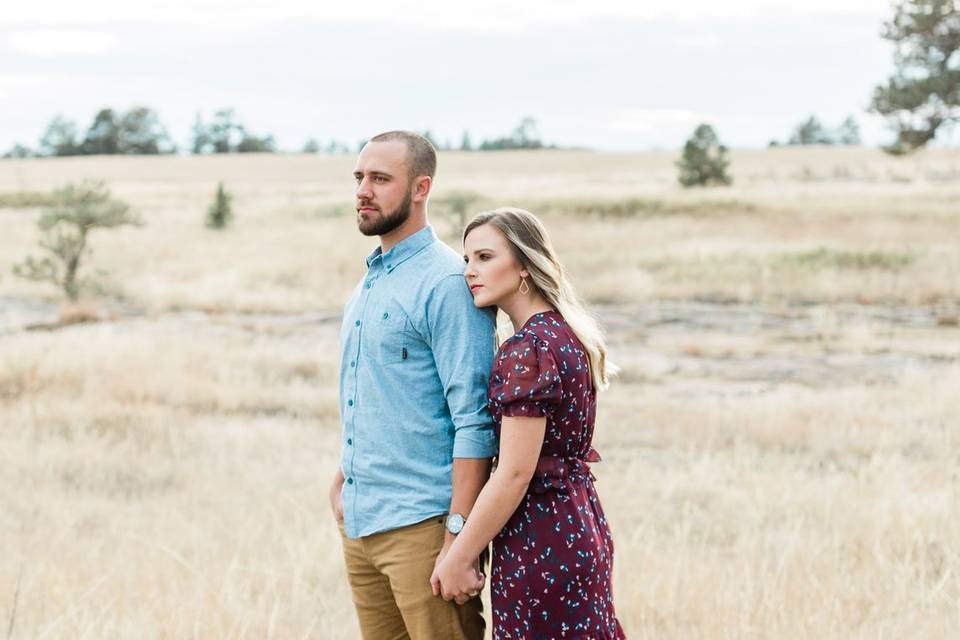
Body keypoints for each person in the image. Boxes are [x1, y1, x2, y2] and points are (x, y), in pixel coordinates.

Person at [331, 131, 495, 639]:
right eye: (360, 177)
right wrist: (342, 481)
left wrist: (458, 540)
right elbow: (378, 395)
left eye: (381, 179)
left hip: (423, 530)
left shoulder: (446, 283)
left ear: (421, 188)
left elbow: (475, 421)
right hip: (361, 523)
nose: (364, 190)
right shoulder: (371, 280)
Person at [432, 207, 626, 638]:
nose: (469, 271)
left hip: (541, 537)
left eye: (484, 257)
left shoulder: (527, 348)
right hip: (579, 521)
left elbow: (515, 473)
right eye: (467, 260)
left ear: (523, 265)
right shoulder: (567, 334)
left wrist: (460, 554)